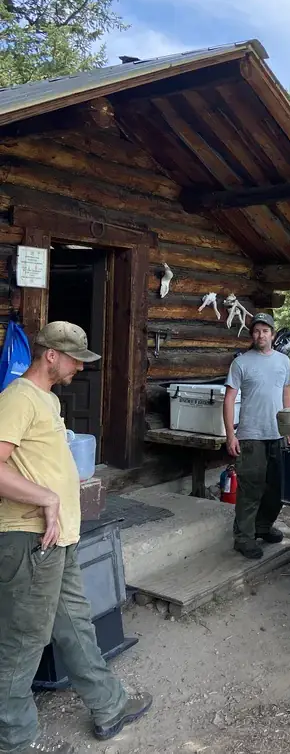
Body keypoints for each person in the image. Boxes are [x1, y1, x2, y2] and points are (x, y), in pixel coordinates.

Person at [0, 322, 152, 754]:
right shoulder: (17, 399)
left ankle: (110, 705)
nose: (79, 369)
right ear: (51, 355)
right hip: (28, 540)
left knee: (75, 627)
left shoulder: (45, 400)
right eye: (74, 360)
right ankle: (14, 742)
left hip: (56, 541)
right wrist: (46, 497)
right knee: (22, 642)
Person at [223, 313, 290, 560]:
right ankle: (243, 538)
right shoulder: (241, 363)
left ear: (273, 335)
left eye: (265, 330)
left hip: (277, 434)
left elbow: (287, 394)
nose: (260, 335)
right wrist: (230, 435)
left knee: (277, 487)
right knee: (251, 489)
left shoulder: (284, 362)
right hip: (250, 436)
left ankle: (263, 527)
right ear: (252, 335)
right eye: (256, 331)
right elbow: (229, 398)